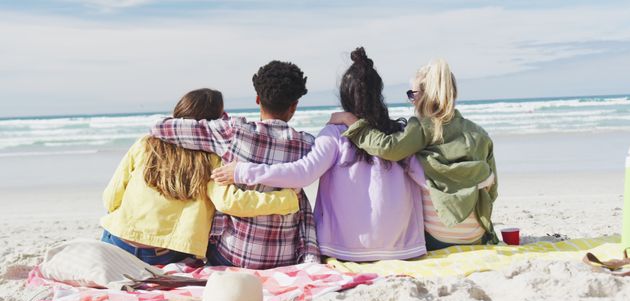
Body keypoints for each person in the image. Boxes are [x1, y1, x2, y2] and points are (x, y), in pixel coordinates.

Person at [211, 47, 427, 261]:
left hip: (346, 248)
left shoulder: (335, 133)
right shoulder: (399, 136)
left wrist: (242, 171)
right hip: (402, 246)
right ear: (378, 93)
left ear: (345, 95)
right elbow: (426, 180)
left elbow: (303, 173)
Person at [149, 62, 321, 269]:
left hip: (232, 257)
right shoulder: (308, 145)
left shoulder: (233, 132)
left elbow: (159, 126)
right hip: (283, 259)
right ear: (294, 105)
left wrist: (220, 120)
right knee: (298, 197)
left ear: (258, 99)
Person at [101, 88, 300, 265]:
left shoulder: (145, 144)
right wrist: (287, 199)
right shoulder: (212, 157)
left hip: (117, 240)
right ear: (215, 122)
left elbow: (110, 198)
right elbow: (229, 203)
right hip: (163, 253)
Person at [330, 59, 498, 250]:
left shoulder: (423, 127)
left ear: (425, 96)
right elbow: (492, 191)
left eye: (412, 94)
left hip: (437, 237)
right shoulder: (479, 134)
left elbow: (389, 149)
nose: (411, 99)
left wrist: (355, 125)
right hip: (475, 235)